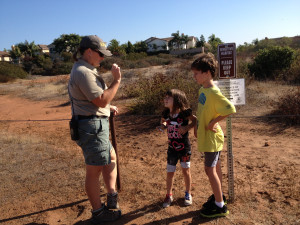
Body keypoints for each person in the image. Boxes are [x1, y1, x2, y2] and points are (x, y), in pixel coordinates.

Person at [68, 35, 121, 223]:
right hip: (92, 127)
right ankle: (99, 213)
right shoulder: (83, 72)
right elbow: (100, 100)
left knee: (110, 158)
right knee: (94, 170)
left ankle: (111, 196)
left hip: (95, 124)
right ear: (89, 51)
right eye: (100, 54)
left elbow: (96, 101)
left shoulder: (86, 69)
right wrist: (116, 81)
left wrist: (108, 108)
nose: (103, 58)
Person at [191, 53, 236, 218]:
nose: (194, 77)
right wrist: (198, 126)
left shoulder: (214, 92)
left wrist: (211, 124)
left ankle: (219, 206)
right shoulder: (203, 89)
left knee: (209, 170)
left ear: (207, 73)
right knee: (215, 168)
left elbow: (230, 108)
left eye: (196, 73)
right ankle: (219, 198)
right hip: (206, 137)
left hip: (212, 139)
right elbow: (202, 111)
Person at [157, 89, 197, 208]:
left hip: (184, 147)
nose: (165, 99)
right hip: (171, 149)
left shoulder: (184, 113)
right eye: (165, 97)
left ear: (177, 100)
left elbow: (195, 120)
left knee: (186, 171)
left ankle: (188, 193)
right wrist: (163, 126)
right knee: (170, 172)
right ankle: (169, 195)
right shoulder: (165, 113)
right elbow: (163, 122)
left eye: (168, 98)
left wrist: (187, 127)